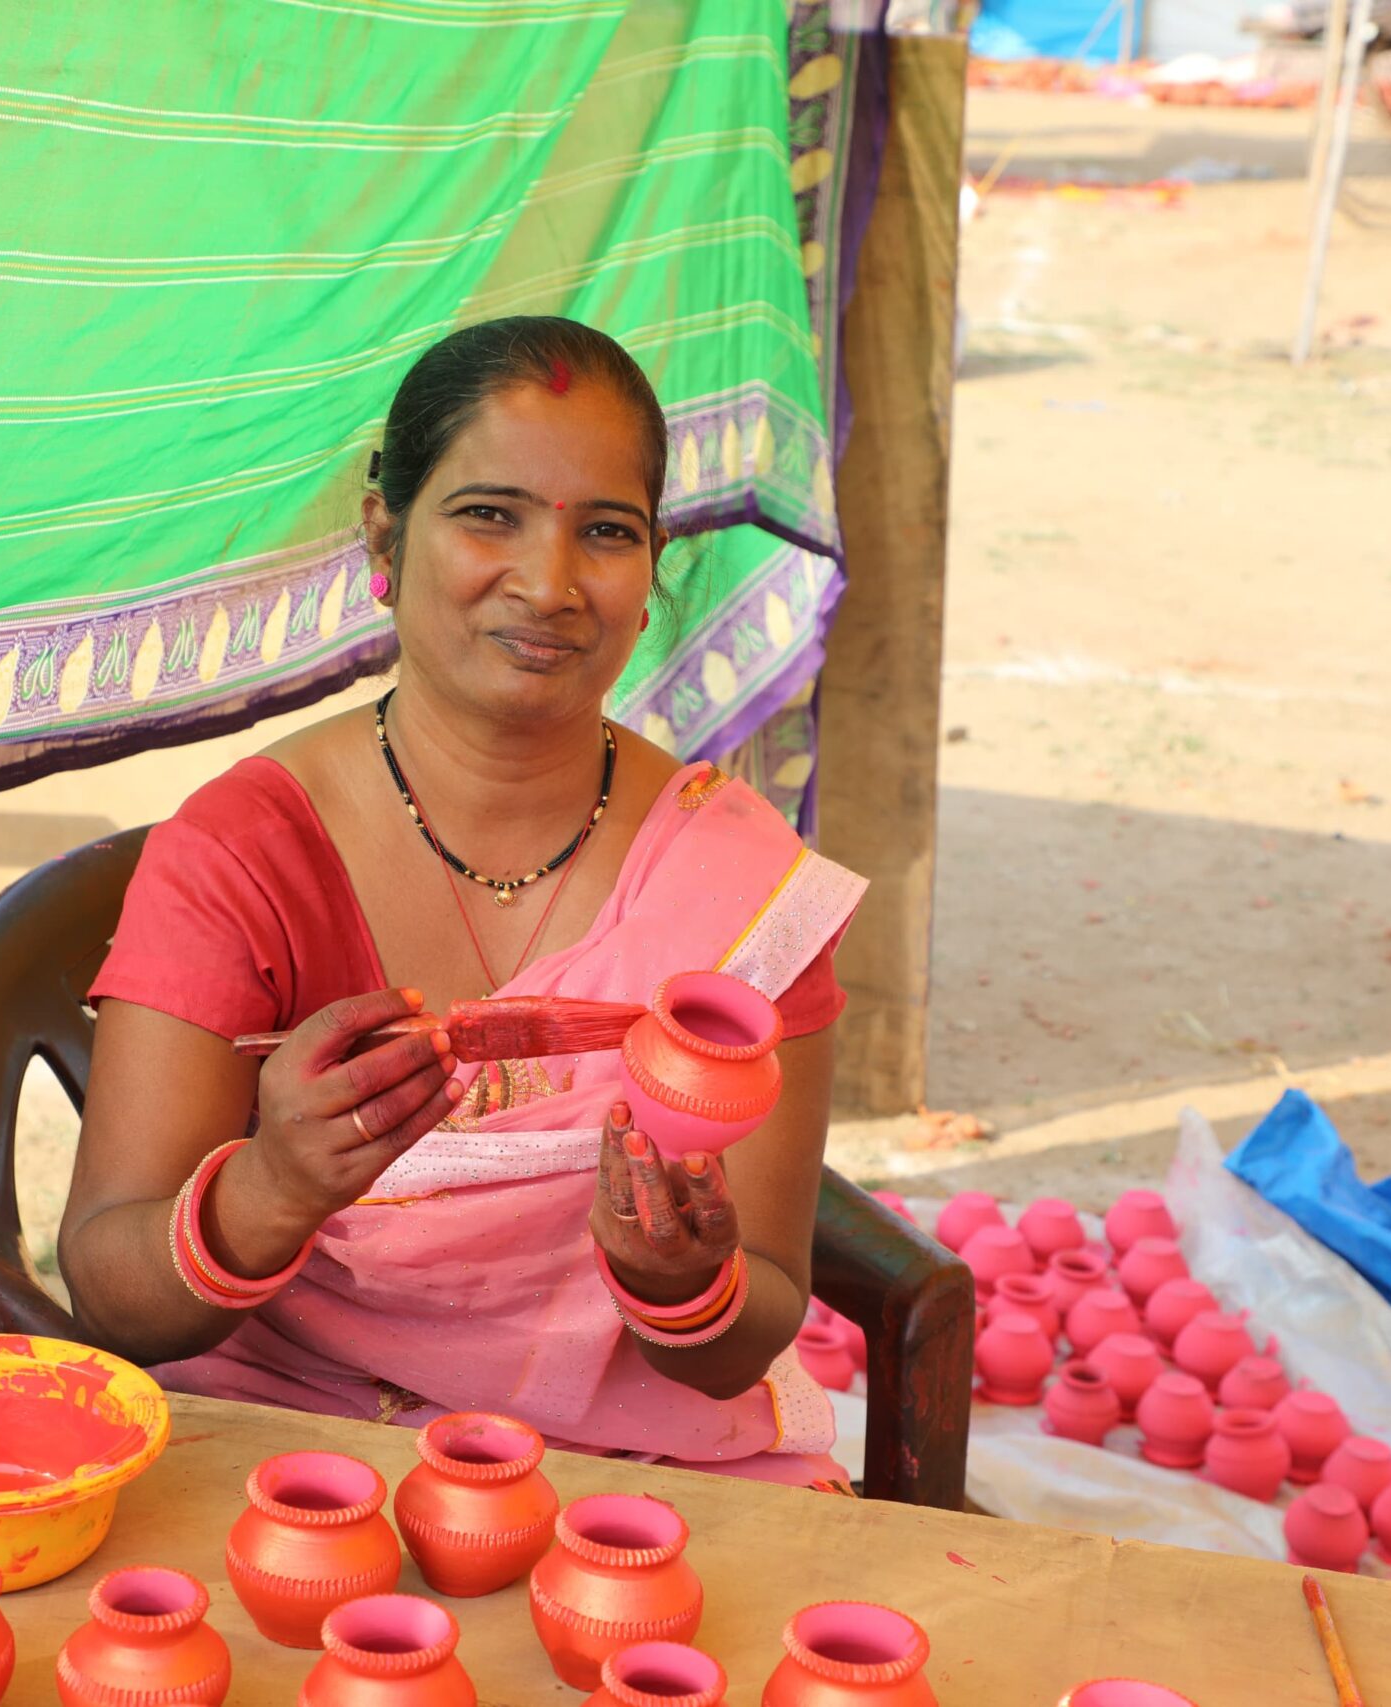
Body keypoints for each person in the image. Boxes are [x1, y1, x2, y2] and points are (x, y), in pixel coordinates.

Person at [60, 316, 864, 1487]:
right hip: (292, 1447)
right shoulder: (243, 854)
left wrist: (680, 1287)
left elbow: (753, 1326)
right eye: (488, 514)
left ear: (650, 577)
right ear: (384, 531)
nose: (547, 584)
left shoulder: (742, 894)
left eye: (605, 532)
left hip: (628, 1475)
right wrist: (273, 1191)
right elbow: (113, 1286)